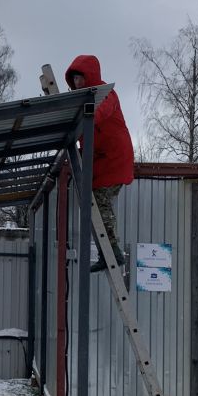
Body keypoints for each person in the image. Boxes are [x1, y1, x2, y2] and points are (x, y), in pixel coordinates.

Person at [64, 55, 134, 272]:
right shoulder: (82, 102)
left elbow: (99, 114)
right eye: (75, 79)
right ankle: (107, 252)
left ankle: (112, 253)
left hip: (114, 159)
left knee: (101, 203)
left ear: (90, 76)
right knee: (94, 204)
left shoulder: (106, 94)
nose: (77, 83)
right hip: (99, 161)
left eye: (80, 78)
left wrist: (86, 115)